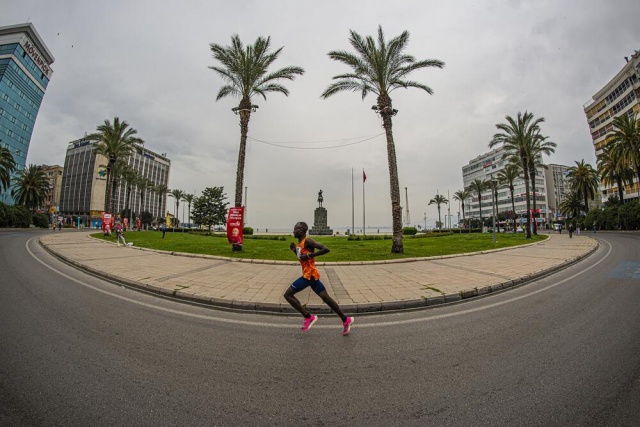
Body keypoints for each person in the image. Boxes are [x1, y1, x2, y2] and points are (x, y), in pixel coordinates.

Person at [283, 221, 354, 335]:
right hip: (311, 275)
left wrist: (310, 255)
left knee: (288, 295)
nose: (293, 231)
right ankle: (346, 320)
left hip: (309, 276)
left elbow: (326, 249)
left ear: (301, 230)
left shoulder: (308, 241)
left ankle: (308, 317)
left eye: (295, 229)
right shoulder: (299, 244)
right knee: (326, 298)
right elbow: (302, 258)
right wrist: (293, 251)